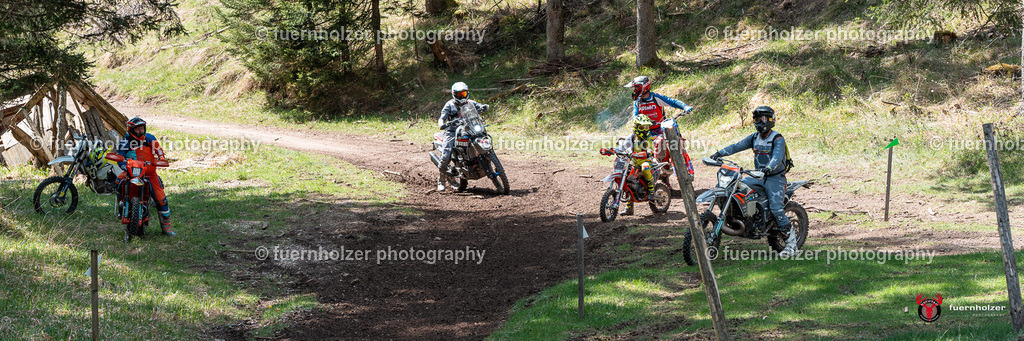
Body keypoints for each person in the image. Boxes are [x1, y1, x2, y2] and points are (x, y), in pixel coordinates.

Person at [709, 106, 796, 255]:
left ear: (770, 120)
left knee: (776, 208)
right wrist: (719, 153)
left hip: (775, 178)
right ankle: (749, 220)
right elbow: (737, 146)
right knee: (736, 189)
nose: (759, 122)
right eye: (756, 119)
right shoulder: (754, 137)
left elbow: (776, 158)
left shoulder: (777, 138)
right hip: (757, 177)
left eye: (762, 119)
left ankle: (791, 244)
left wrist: (768, 168)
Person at [116, 117, 175, 237]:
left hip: (149, 174)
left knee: (161, 199)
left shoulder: (150, 138)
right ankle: (121, 207)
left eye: (142, 128)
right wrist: (123, 165)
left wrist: (161, 158)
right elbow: (120, 156)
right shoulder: (125, 141)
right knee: (118, 181)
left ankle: (166, 228)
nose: (140, 131)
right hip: (131, 173)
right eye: (137, 129)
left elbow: (158, 150)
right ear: (131, 129)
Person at [436, 82, 489, 191]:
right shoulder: (449, 105)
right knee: (446, 154)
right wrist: (442, 123)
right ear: (454, 94)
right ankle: (441, 180)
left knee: (484, 138)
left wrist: (484, 106)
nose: (462, 96)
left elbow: (479, 106)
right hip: (452, 131)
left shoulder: (470, 103)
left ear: (467, 93)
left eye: (464, 94)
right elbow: (442, 117)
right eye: (459, 94)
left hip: (469, 128)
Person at [624, 75, 693, 137]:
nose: (635, 91)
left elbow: (672, 102)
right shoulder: (638, 102)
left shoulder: (656, 98)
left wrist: (684, 106)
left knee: (672, 134)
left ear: (644, 88)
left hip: (660, 130)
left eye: (636, 89)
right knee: (630, 139)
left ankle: (680, 149)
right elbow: (635, 116)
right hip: (644, 132)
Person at [618, 115, 657, 216]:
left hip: (647, 161)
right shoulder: (632, 136)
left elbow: (650, 148)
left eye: (647, 127)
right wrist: (616, 149)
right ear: (636, 127)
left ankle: (651, 189)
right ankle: (629, 208)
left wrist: (648, 152)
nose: (645, 129)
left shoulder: (648, 137)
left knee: (645, 167)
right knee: (628, 180)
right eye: (643, 127)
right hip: (635, 162)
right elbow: (624, 145)